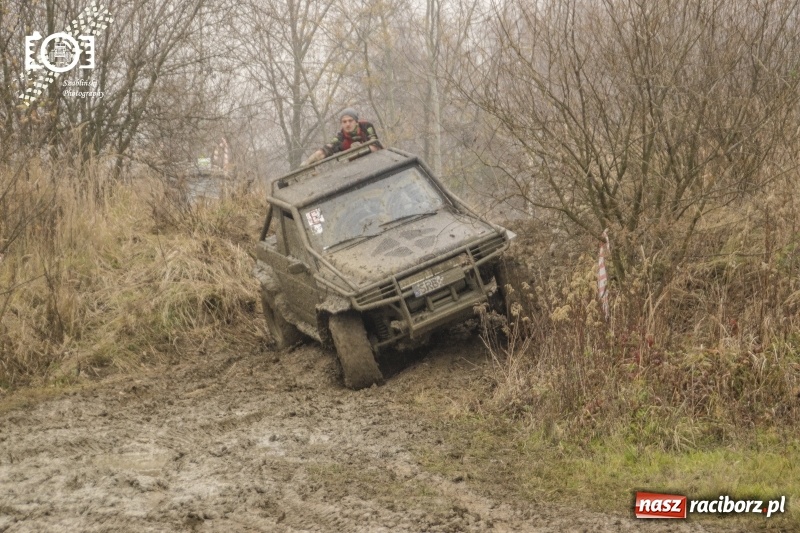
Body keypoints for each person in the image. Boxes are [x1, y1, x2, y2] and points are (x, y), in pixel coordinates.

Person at [300, 108, 382, 167]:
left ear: (356, 122)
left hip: (376, 161)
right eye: (344, 122)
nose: (347, 124)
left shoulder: (366, 126)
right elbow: (326, 149)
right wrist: (309, 161)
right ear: (341, 124)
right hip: (356, 166)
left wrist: (360, 149)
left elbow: (375, 145)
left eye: (350, 121)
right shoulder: (341, 138)